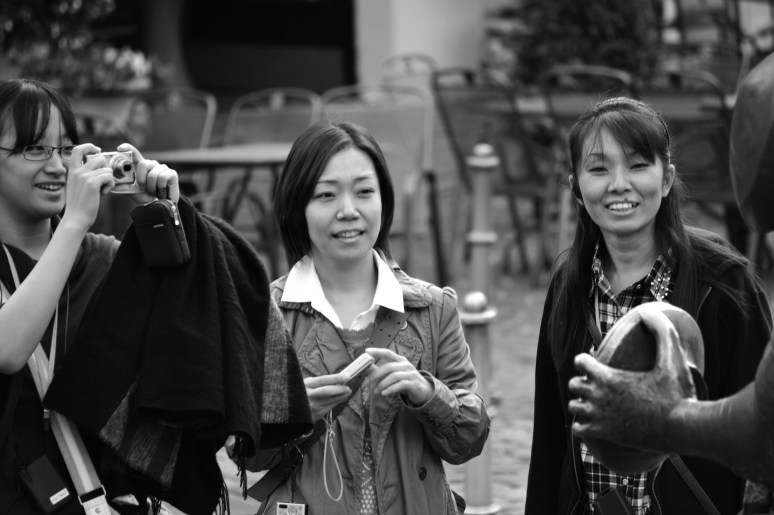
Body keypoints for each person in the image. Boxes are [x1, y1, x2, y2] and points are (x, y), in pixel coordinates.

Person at [525, 96, 772, 514]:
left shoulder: (724, 282)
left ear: (667, 178)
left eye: (638, 165)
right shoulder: (570, 283)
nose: (619, 184)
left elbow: (763, 430)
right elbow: (550, 437)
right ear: (576, 188)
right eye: (599, 169)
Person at [253, 120, 490, 514]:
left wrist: (427, 393)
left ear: (384, 201)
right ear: (297, 207)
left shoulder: (433, 308)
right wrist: (290, 414)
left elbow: (469, 440)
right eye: (326, 195)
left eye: (364, 191)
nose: (349, 211)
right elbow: (245, 454)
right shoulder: (267, 314)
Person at [0, 78, 179, 513]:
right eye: (34, 148)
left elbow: (187, 319)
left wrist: (163, 215)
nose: (57, 166)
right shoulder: (77, 234)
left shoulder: (101, 259)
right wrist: (74, 222)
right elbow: (7, 351)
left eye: (66, 149)